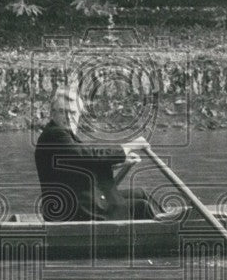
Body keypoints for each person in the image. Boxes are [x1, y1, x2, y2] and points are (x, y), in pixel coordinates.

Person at [34, 87, 162, 222]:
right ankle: (170, 231)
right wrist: (128, 147)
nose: (68, 117)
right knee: (142, 206)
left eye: (72, 112)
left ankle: (170, 221)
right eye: (62, 112)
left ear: (79, 114)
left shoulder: (66, 136)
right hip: (71, 209)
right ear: (52, 113)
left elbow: (82, 163)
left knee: (140, 193)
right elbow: (87, 155)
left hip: (78, 202)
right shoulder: (54, 134)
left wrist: (119, 163)